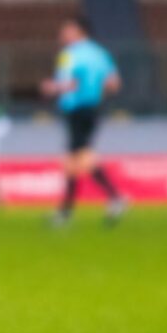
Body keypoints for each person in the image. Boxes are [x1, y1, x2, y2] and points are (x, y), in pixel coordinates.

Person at [42, 16, 128, 228]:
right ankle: (66, 212)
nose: (62, 35)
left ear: (78, 31)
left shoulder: (69, 55)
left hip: (76, 108)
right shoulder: (100, 53)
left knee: (81, 156)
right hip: (93, 107)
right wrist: (94, 90)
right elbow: (114, 83)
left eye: (66, 31)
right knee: (72, 159)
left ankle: (115, 197)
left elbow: (69, 83)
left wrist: (52, 88)